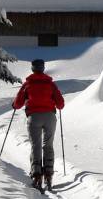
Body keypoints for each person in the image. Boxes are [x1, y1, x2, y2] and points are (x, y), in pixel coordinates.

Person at [12, 59, 64, 191]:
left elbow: (18, 103)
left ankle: (36, 176)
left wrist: (14, 105)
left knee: (36, 145)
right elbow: (60, 104)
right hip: (50, 117)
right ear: (43, 68)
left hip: (34, 117)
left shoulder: (28, 84)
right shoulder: (50, 84)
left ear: (32, 69)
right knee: (48, 144)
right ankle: (48, 175)